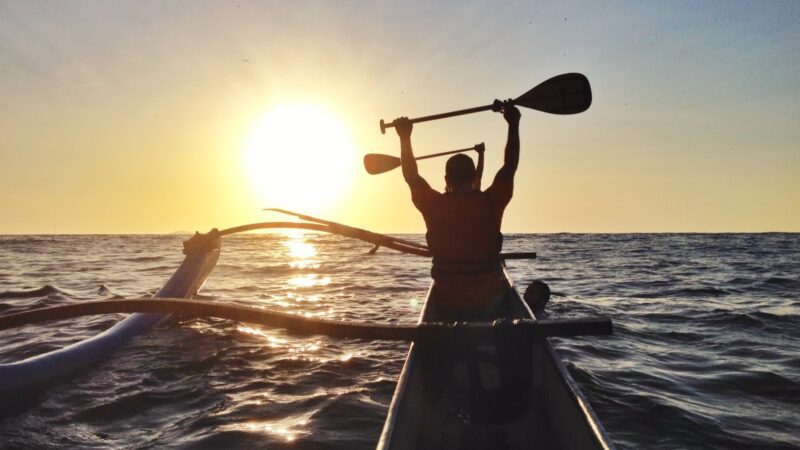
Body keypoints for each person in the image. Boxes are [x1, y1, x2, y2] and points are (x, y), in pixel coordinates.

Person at [393, 100, 520, 321]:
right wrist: (513, 124)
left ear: (446, 179)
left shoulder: (432, 204)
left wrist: (404, 137)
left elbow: (411, 176)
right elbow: (509, 167)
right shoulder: (491, 201)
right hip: (489, 302)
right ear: (474, 177)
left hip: (448, 302)